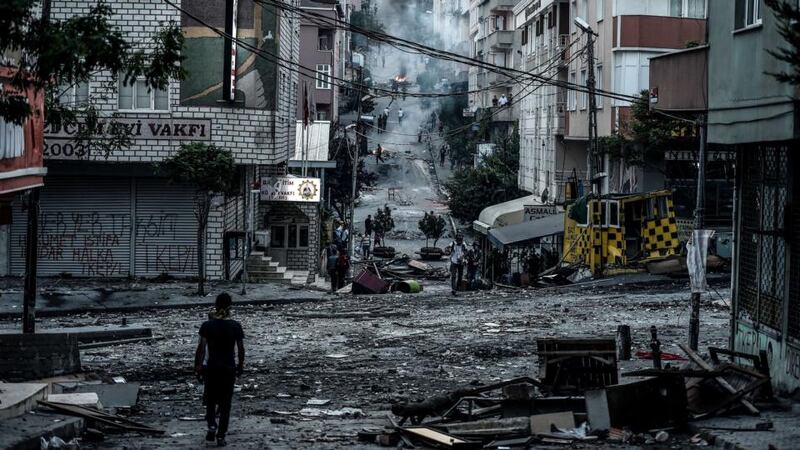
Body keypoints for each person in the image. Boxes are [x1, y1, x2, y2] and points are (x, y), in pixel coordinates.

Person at [195, 293, 244, 447]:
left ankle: (211, 425)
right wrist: (240, 365)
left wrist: (197, 367)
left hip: (212, 368)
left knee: (210, 399)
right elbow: (241, 349)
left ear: (215, 306)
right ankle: (221, 435)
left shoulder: (207, 326)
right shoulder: (235, 326)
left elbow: (201, 349)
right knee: (225, 403)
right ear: (230, 307)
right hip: (229, 368)